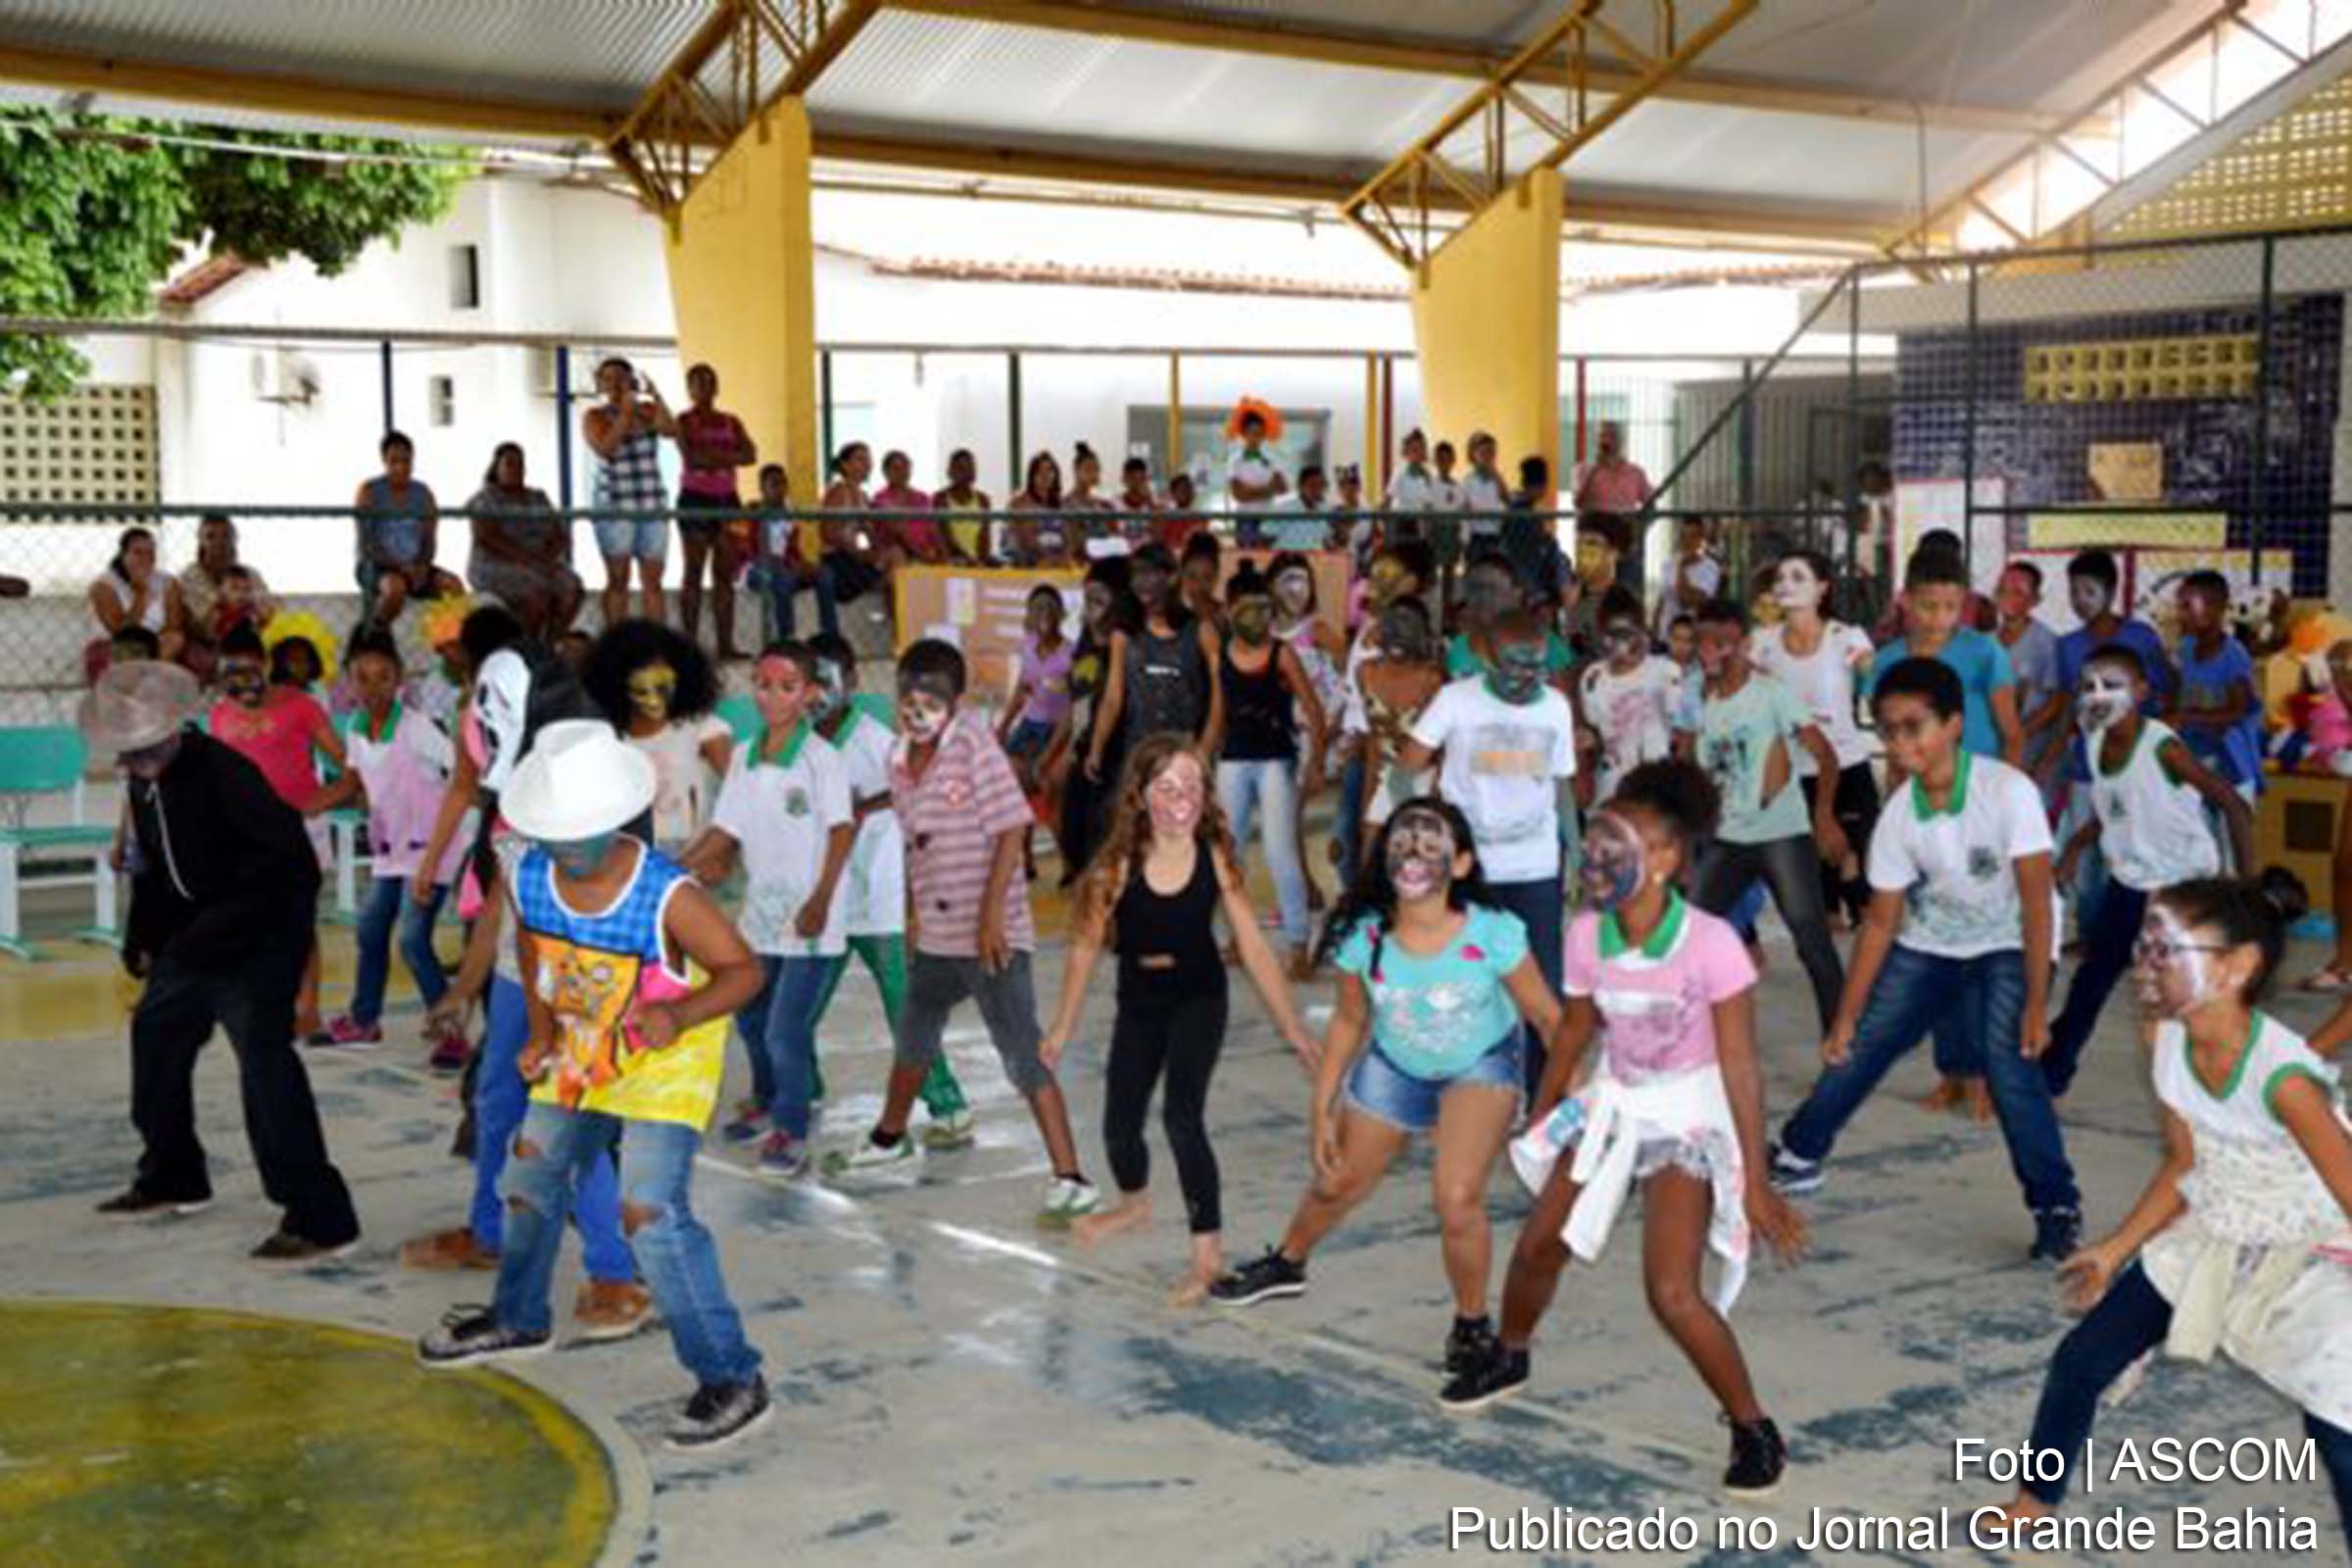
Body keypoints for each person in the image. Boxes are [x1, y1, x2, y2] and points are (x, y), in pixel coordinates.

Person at [1444, 762, 1805, 1499]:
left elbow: (1739, 1067)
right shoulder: (1586, 934)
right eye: (1598, 839)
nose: (1600, 855)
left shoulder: (1710, 945)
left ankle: (1752, 1427)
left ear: (1668, 859)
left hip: (1688, 1114)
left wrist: (1757, 1181)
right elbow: (1575, 1028)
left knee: (1671, 1290)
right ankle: (1509, 1354)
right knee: (1539, 1242)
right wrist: (1546, 1111)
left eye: (1622, 842)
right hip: (1617, 1100)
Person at [416, 720, 771, 1450]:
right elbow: (532, 949)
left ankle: (731, 1374)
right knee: (529, 1176)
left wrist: (680, 1012)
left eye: (581, 834)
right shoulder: (530, 873)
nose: (566, 849)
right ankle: (519, 1316)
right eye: (554, 834)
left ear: (615, 821)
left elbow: (744, 972)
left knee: (649, 1209)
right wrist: (543, 1036)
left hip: (665, 1058)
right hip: (582, 1048)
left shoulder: (668, 895)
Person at [1995, 872, 2352, 1542]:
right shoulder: (2165, 1035)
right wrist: (2113, 1249)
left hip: (2310, 1243)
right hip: (2218, 1219)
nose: (2146, 967)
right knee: (2080, 1361)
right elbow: (2187, 1165)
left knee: (2337, 1420)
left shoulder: (2286, 1080)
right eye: (2144, 947)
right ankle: (2032, 1505)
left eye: (2169, 950)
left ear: (2237, 967)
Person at [1209, 800, 1562, 1382]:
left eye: (1431, 846)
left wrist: (1573, 1103)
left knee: (1456, 1196)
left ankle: (1472, 1324)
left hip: (1478, 1064)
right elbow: (1350, 1022)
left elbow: (1549, 1018)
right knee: (1336, 1182)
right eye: (1403, 844)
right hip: (1396, 1064)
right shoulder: (1365, 935)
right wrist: (1322, 1107)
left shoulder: (1492, 933)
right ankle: (1288, 1262)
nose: (1414, 857)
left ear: (1463, 863)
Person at [1771, 658, 2082, 1262]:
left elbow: (2038, 902)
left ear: (1954, 726)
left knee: (2010, 1064)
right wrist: (1845, 1016)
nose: (1899, 742)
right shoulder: (1901, 814)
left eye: (1914, 727)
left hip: (2013, 942)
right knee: (1861, 1047)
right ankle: (1798, 1154)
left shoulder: (2006, 791)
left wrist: (2038, 1005)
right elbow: (1882, 922)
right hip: (1934, 942)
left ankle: (2056, 1205)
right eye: (1887, 730)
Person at [84, 661, 361, 1260]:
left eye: (146, 749)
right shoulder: (145, 783)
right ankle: (172, 1174)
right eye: (128, 754)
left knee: (264, 1067)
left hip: (259, 937)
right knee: (156, 1036)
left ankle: (319, 1217)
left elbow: (289, 865)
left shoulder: (225, 775)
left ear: (172, 730)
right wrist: (142, 937)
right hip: (194, 940)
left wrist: (217, 933)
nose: (136, 762)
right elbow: (157, 870)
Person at [820, 640, 1100, 1223]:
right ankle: (889, 1137)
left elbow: (1009, 830)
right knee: (914, 1035)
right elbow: (914, 842)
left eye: (933, 697)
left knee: (1022, 1054)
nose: (918, 707)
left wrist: (992, 916)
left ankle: (1072, 1177)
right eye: (908, 695)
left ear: (957, 699)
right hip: (938, 935)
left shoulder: (974, 746)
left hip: (988, 936)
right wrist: (910, 913)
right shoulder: (900, 758)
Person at [397, 711, 653, 1346]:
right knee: (496, 1103)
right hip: (518, 980)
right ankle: (488, 1232)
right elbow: (497, 913)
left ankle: (617, 1272)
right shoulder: (511, 817)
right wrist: (463, 990)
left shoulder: (614, 827)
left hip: (582, 982)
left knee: (569, 1119)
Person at [1042, 737, 1321, 1302]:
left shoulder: (1214, 856)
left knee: (1181, 1117)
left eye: (1192, 786)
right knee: (1119, 1123)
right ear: (1141, 798)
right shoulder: (1117, 868)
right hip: (1140, 1001)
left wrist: (1292, 1027)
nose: (1182, 800)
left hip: (1199, 998)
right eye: (1167, 788)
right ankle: (1135, 1203)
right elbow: (1083, 950)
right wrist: (1063, 1028)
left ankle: (1207, 1256)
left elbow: (1253, 946)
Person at [2042, 646, 2253, 1100]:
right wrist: (2076, 847)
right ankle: (2051, 1072)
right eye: (2088, 685)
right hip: (2131, 883)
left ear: (2140, 692)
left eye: (2111, 685)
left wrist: (2245, 885)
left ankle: (2228, 1085)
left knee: (2189, 994)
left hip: (2182, 888)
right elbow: (2117, 808)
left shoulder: (2164, 748)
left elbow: (2231, 803)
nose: (2097, 695)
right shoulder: (2093, 739)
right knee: (2092, 980)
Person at [789, 634, 973, 1145]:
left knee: (904, 1008)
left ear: (850, 682)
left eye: (827, 681)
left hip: (882, 902)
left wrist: (921, 904)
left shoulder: (877, 744)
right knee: (796, 1007)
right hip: (826, 904)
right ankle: (800, 1090)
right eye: (810, 683)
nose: (817, 693)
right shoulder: (800, 745)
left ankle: (948, 1105)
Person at [680, 643, 854, 1181]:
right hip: (761, 916)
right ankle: (765, 1099)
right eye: (761, 683)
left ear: (809, 694)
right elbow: (725, 829)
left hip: (808, 919)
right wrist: (674, 871)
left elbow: (841, 831)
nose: (771, 696)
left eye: (786, 686)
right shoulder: (746, 755)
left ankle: (793, 1129)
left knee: (785, 1030)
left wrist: (821, 900)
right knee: (751, 1017)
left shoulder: (821, 759)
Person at [1397, 610, 1578, 1096]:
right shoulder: (1457, 701)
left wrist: (1575, 856)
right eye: (1515, 666)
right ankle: (1462, 1091)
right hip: (1469, 868)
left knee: (1544, 987)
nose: (1527, 679)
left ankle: (1545, 1100)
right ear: (1488, 659)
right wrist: (1412, 837)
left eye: (1537, 667)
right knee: (1460, 985)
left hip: (1537, 866)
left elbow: (1562, 789)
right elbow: (1406, 765)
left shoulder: (1556, 706)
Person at [1871, 547, 2024, 1111]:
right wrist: (1893, 811)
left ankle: (1987, 1075)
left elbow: (2012, 734)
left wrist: (2007, 806)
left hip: (1980, 810)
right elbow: (1893, 748)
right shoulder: (1886, 660)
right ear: (1906, 602)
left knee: (1987, 946)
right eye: (1928, 606)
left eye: (1951, 607)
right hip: (1919, 811)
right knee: (1932, 944)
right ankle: (1953, 1069)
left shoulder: (1985, 653)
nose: (1939, 618)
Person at [1684, 597, 1848, 1028]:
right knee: (1687, 935)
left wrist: (1824, 815)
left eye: (1723, 643)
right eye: (1703, 642)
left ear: (1744, 645)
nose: (1711, 652)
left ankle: (1842, 1039)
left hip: (1781, 834)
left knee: (1811, 940)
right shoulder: (1698, 697)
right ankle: (1686, 1043)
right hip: (1726, 838)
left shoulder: (1771, 693)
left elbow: (1826, 756)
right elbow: (1693, 767)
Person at [312, 629, 467, 1053]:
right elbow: (352, 780)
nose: (372, 687)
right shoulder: (357, 730)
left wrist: (441, 846)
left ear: (399, 680)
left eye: (383, 677)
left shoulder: (417, 730)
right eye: (362, 677)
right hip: (390, 852)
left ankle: (449, 1031)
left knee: (413, 940)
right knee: (370, 930)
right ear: (348, 682)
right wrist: (310, 803)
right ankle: (364, 1020)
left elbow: (463, 772)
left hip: (431, 850)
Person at [210, 624, 344, 1043]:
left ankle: (309, 1010)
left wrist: (327, 797)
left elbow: (349, 764)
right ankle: (264, 1005)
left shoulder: (301, 707)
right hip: (243, 834)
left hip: (299, 827)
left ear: (266, 666)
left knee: (299, 920)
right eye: (230, 675)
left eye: (248, 673)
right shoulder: (220, 714)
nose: (240, 684)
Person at [2050, 549, 2177, 928]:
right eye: (2073, 591)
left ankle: (2131, 927)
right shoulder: (2067, 645)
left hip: (2133, 763)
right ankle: (2089, 927)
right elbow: (2066, 707)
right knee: (2084, 847)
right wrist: (2051, 758)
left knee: (2129, 844)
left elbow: (2166, 689)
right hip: (2085, 766)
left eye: (2088, 590)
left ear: (2110, 591)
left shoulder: (2141, 637)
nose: (2079, 600)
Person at [1750, 551, 1878, 926]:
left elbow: (1872, 677)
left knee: (1859, 877)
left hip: (1848, 766)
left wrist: (1868, 668)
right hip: (1794, 773)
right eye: (1781, 577)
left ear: (1823, 588)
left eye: (1798, 577)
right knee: (1821, 902)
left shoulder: (1845, 637)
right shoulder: (1763, 643)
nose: (1786, 585)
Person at [1214, 565, 1327, 978]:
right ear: (1230, 611)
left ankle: (1298, 943)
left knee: (1281, 853)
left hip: (1276, 759)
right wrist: (1201, 759)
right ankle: (1237, 938)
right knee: (1231, 853)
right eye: (1248, 610)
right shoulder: (1223, 653)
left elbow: (1314, 709)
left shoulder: (1282, 653)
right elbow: (1218, 716)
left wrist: (1316, 762)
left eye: (1263, 610)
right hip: (1233, 759)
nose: (1257, 619)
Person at [585, 620, 732, 856]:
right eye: (642, 688)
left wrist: (723, 851)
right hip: (629, 856)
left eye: (663, 686)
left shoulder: (703, 729)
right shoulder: (607, 739)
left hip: (695, 856)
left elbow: (741, 793)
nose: (654, 698)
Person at [1087, 543, 1222, 784]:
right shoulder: (1125, 634)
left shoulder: (1200, 630)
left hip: (1185, 752)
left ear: (1171, 578)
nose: (1141, 582)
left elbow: (1220, 697)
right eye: (1136, 574)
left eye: (1148, 573)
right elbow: (1112, 698)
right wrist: (1096, 747)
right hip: (1138, 754)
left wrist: (1205, 750)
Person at [2169, 570, 2264, 857]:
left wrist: (2189, 717)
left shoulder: (2233, 655)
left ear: (2213, 609)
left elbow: (2239, 709)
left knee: (2231, 846)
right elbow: (2180, 693)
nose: (2180, 614)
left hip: (2231, 765)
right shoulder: (2186, 649)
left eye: (2187, 606)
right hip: (2198, 760)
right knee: (2202, 846)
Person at [1347, 595, 1445, 856]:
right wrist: (1368, 799)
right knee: (1370, 856)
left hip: (1426, 778)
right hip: (1388, 774)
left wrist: (1437, 799)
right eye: (1393, 625)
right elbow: (1374, 742)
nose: (1398, 635)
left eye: (1407, 627)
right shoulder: (1365, 673)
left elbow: (1445, 748)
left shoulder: (1432, 679)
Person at [671, 364, 758, 658]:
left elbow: (751, 454)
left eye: (709, 382)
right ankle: (688, 644)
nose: (704, 389)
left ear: (716, 387)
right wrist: (727, 456)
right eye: (698, 383)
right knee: (693, 571)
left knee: (725, 572)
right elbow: (692, 459)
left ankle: (725, 643)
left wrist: (714, 457)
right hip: (695, 499)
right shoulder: (682, 421)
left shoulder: (731, 421)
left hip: (728, 500)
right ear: (690, 389)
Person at [584, 357, 676, 629]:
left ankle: (656, 644)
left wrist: (655, 395)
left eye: (621, 378)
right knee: (618, 578)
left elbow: (670, 429)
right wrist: (624, 414)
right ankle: (617, 642)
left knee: (653, 580)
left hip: (651, 502)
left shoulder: (646, 411)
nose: (615, 384)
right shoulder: (595, 416)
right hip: (615, 504)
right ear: (600, 383)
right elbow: (605, 447)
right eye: (608, 378)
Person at [465, 442, 581, 641]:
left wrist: (548, 558)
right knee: (536, 593)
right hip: (497, 564)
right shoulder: (486, 499)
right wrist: (528, 560)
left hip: (540, 563)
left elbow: (559, 534)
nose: (515, 469)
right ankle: (527, 646)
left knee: (572, 587)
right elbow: (487, 537)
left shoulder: (538, 497)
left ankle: (549, 644)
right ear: (496, 467)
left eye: (520, 464)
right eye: (509, 464)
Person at [1578, 587, 1679, 804]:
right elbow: (1596, 734)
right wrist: (1589, 744)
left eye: (1635, 633)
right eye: (1617, 636)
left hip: (1658, 788)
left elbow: (1682, 734)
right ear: (1603, 637)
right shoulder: (1592, 678)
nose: (1627, 645)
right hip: (1612, 788)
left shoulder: (1666, 672)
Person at [354, 430, 459, 626]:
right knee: (395, 590)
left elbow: (429, 539)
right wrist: (399, 566)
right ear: (384, 461)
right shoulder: (369, 491)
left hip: (415, 566)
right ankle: (374, 634)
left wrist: (422, 565)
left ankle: (445, 637)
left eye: (406, 461)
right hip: (377, 566)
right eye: (394, 461)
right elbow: (366, 544)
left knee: (452, 586)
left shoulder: (424, 494)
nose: (401, 468)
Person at [1446, 553, 1574, 689]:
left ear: (1517, 592)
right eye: (1475, 590)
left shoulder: (1549, 646)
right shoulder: (1460, 648)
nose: (1483, 598)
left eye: (1492, 589)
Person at [1994, 562, 2066, 800]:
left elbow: (2056, 701)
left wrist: (2018, 734)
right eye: (2002, 589)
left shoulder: (2045, 643)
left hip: (2031, 753)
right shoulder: (1987, 643)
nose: (2008, 597)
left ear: (2035, 600)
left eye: (2018, 592)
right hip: (1995, 751)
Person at [170, 514, 271, 673]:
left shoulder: (251, 574)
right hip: (204, 644)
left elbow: (266, 612)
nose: (219, 543)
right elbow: (203, 626)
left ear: (234, 540)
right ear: (201, 541)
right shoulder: (188, 578)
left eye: (226, 536)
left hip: (248, 642)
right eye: (211, 537)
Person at [752, 463, 838, 640]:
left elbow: (792, 550)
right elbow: (754, 552)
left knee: (825, 575)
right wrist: (789, 565)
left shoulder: (790, 515)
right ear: (762, 487)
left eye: (784, 484)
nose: (781, 489)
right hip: (756, 570)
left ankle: (830, 635)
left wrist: (804, 565)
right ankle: (787, 637)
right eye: (774, 484)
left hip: (786, 567)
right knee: (783, 579)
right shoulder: (751, 513)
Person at [87, 525, 184, 674]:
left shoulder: (167, 582)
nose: (145, 559)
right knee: (129, 650)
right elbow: (120, 631)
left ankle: (147, 676)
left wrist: (155, 642)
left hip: (156, 643)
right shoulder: (104, 586)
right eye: (138, 553)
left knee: (175, 639)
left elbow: (174, 624)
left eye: (150, 553)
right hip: (119, 643)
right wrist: (141, 595)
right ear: (123, 555)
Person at [1564, 514, 1632, 660]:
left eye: (1592, 544)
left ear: (1614, 553)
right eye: (1579, 544)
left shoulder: (1623, 603)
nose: (1583, 551)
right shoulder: (1568, 597)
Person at [1226, 405, 1289, 545]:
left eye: (1260, 433)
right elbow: (1239, 495)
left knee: (1268, 557)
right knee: (1247, 556)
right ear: (1244, 433)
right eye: (1252, 432)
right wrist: (1268, 489)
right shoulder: (1235, 460)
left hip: (1269, 517)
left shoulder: (1272, 459)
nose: (1256, 437)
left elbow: (1283, 488)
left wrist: (1250, 491)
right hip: (1245, 518)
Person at [872, 449, 947, 566]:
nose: (902, 472)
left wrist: (943, 557)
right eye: (896, 468)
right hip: (900, 555)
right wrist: (922, 557)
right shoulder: (881, 499)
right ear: (886, 472)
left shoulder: (923, 497)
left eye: (905, 468)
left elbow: (934, 530)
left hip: (927, 554)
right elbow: (899, 532)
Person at [1655, 516, 1723, 638]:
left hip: (1692, 635)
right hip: (1666, 633)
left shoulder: (1710, 568)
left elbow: (1686, 601)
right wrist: (1654, 630)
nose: (1687, 542)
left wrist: (1681, 568)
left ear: (1701, 539)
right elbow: (1662, 599)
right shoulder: (1668, 564)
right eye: (1684, 536)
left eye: (1692, 536)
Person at [1003, 451, 1066, 566]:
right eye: (1039, 471)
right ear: (1031, 475)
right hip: (1026, 563)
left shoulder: (1061, 503)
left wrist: (1064, 557)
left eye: (1049, 470)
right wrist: (1050, 559)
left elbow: (1068, 535)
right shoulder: (1019, 502)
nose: (1045, 475)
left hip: (1056, 562)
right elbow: (1027, 539)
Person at [935, 448, 993, 564]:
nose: (966, 473)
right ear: (950, 472)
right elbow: (945, 536)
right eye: (961, 468)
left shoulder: (983, 500)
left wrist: (981, 560)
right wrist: (966, 558)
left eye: (970, 468)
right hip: (952, 560)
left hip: (977, 561)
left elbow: (985, 537)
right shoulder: (940, 499)